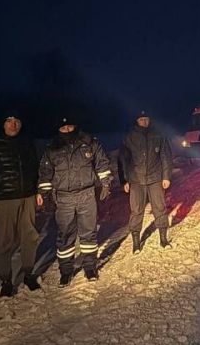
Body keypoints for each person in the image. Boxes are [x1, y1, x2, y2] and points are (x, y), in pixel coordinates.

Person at [37, 116, 112, 286]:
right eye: (63, 128)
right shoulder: (52, 148)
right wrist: (45, 193)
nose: (67, 131)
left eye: (70, 127)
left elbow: (102, 163)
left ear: (75, 126)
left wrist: (106, 183)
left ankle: (90, 267)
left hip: (86, 194)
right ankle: (66, 271)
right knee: (65, 235)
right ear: (58, 130)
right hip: (63, 198)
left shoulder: (89, 142)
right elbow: (45, 173)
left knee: (89, 232)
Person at [0, 113, 41, 297]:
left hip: (27, 197)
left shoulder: (28, 143)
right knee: (5, 240)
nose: (13, 125)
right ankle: (6, 280)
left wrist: (38, 191)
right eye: (9, 121)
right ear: (3, 124)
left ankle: (28, 274)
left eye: (16, 122)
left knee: (30, 236)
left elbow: (35, 169)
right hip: (4, 199)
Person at [119, 111, 173, 254]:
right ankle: (136, 242)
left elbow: (165, 156)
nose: (144, 121)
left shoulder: (158, 135)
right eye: (141, 119)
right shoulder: (129, 137)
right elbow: (123, 160)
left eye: (146, 119)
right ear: (137, 121)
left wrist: (166, 176)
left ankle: (163, 239)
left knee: (159, 207)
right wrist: (124, 180)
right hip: (136, 179)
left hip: (155, 177)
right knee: (136, 210)